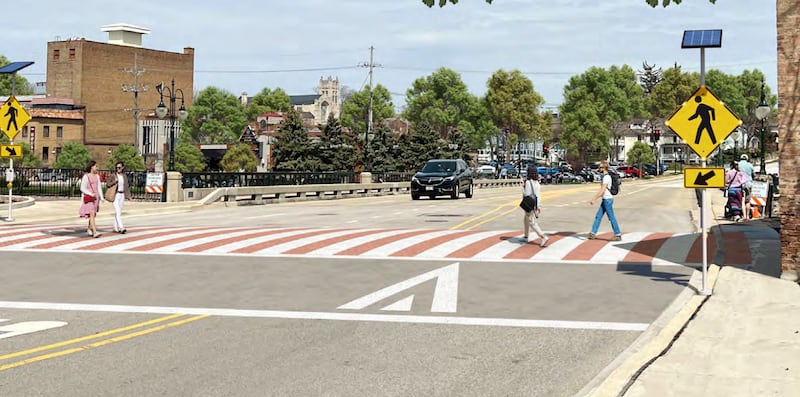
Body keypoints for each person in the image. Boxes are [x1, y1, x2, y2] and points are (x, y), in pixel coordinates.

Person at [588, 161, 622, 241]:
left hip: (607, 200)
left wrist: (594, 199)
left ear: (604, 168)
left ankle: (618, 234)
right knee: (598, 216)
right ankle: (592, 233)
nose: (599, 169)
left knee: (611, 217)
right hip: (605, 199)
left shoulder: (606, 177)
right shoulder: (605, 177)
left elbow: (602, 190)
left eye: (600, 167)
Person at [521, 168, 548, 247]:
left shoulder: (528, 182)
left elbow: (526, 194)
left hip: (529, 205)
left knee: (531, 222)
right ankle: (526, 236)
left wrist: (523, 187)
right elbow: (538, 195)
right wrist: (538, 206)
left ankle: (543, 236)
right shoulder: (537, 183)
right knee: (526, 220)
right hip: (535, 204)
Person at [79, 160, 104, 237]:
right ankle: (95, 231)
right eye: (96, 166)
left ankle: (89, 228)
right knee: (92, 213)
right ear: (92, 167)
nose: (97, 168)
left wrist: (101, 197)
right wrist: (90, 193)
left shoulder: (97, 176)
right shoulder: (86, 176)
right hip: (89, 198)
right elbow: (82, 188)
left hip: (96, 198)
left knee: (92, 214)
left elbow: (99, 187)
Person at [106, 161, 131, 234]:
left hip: (122, 195)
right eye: (117, 168)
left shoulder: (124, 176)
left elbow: (126, 186)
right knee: (117, 211)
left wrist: (128, 196)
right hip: (115, 194)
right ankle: (121, 227)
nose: (118, 169)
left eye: (119, 167)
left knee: (119, 212)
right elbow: (107, 184)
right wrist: (114, 182)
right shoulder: (113, 175)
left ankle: (115, 226)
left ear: (122, 167)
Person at [738, 154, 755, 220]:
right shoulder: (750, 165)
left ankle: (744, 216)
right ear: (747, 159)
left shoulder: (738, 165)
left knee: (742, 200)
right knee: (748, 201)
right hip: (749, 183)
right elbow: (753, 174)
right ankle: (748, 216)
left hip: (741, 184)